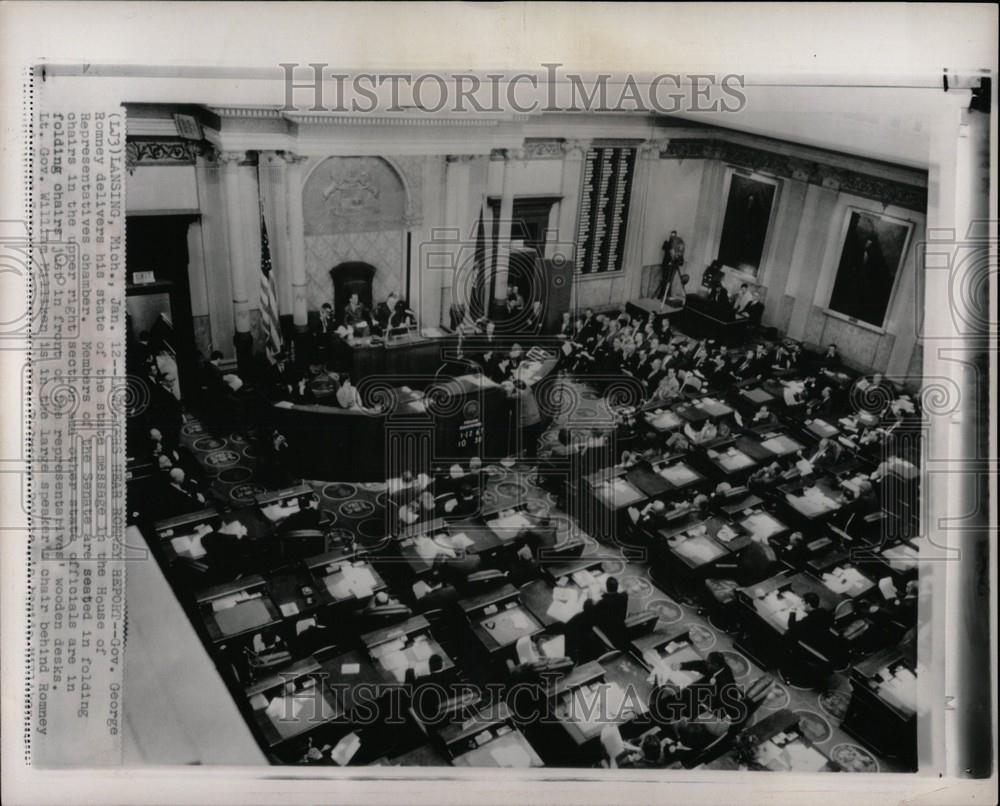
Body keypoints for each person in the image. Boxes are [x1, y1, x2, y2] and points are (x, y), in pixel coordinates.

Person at [507, 379, 545, 459]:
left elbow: (508, 396)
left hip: (528, 423)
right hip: (537, 419)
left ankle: (531, 460)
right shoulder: (528, 389)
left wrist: (510, 388)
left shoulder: (519, 395)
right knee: (532, 441)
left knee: (529, 441)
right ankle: (531, 456)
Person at [592, 576, 629, 646]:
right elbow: (623, 593)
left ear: (607, 587)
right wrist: (607, 594)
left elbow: (594, 611)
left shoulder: (602, 603)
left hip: (608, 631)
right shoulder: (624, 596)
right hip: (620, 627)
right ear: (617, 587)